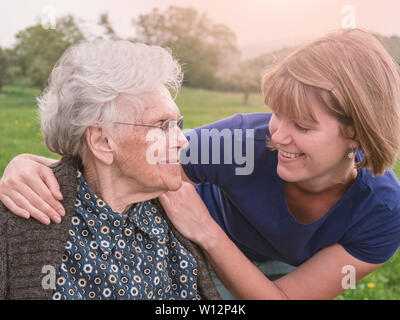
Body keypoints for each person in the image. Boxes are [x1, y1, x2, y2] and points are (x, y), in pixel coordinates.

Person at [2, 29, 400, 300]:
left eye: (303, 125)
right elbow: (113, 156)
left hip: (260, 260)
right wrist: (29, 164)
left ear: (356, 136)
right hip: (198, 251)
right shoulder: (241, 144)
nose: (277, 135)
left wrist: (206, 231)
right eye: (277, 114)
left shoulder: (383, 211)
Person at [0, 39, 220, 300]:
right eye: (162, 125)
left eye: (177, 123)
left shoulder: (177, 208)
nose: (182, 140)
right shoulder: (22, 224)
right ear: (102, 142)